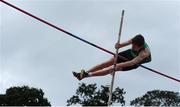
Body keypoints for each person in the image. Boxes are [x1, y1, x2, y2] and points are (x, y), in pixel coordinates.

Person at [73, 34, 151, 80]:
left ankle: (88, 76)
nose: (132, 46)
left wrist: (118, 65)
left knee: (112, 68)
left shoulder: (144, 53)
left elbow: (132, 62)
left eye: (134, 46)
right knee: (109, 62)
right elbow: (127, 43)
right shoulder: (136, 39)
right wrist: (119, 45)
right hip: (130, 54)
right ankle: (83, 74)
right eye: (132, 44)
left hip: (135, 63)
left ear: (140, 47)